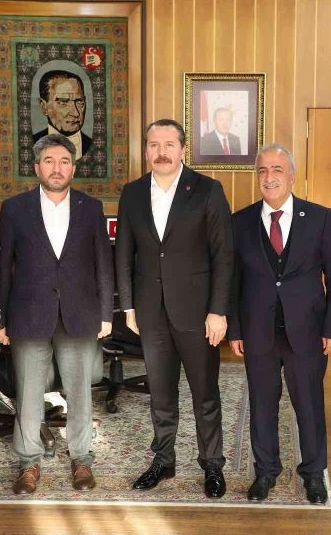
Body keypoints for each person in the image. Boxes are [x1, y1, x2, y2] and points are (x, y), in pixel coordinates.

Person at [116, 118, 233, 498]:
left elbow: (224, 255)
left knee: (205, 394)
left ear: (183, 149)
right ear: (146, 150)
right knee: (161, 394)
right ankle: (163, 460)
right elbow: (124, 254)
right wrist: (128, 307)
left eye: (169, 144)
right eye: (154, 145)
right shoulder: (132, 193)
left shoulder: (207, 190)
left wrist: (218, 311)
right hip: (150, 312)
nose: (161, 152)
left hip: (198, 313)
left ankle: (212, 464)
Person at [0, 134, 113, 495]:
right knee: (29, 393)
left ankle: (81, 459)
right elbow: (3, 267)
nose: (57, 168)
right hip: (28, 314)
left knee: (79, 393)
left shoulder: (91, 208)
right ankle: (28, 463)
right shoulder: (14, 209)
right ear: (37, 168)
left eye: (64, 161)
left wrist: (105, 314)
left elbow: (103, 264)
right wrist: (1, 318)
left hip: (79, 312)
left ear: (73, 168)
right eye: (49, 161)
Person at [228, 144, 331, 504]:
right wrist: (235, 329)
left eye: (277, 169)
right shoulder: (240, 221)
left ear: (291, 176)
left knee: (309, 405)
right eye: (262, 170)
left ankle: (313, 474)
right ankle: (265, 472)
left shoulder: (320, 217)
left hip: (307, 330)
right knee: (262, 404)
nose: (269, 177)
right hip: (257, 330)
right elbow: (233, 280)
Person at [33, 70, 92, 160]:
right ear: (44, 107)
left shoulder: (94, 145)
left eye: (79, 102)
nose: (75, 113)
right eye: (63, 102)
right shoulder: (30, 144)